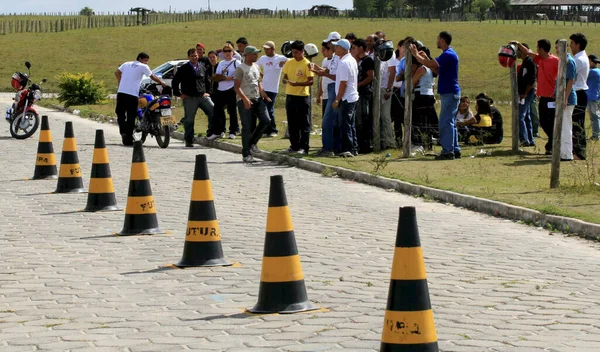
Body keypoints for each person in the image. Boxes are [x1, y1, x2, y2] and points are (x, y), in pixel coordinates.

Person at [411, 31, 461, 160]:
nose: (437, 41)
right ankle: (454, 149)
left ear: (443, 40)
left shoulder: (448, 55)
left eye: (438, 39)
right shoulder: (447, 55)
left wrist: (416, 55)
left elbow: (432, 65)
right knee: (450, 122)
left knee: (445, 122)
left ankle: (448, 151)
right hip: (450, 93)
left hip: (449, 93)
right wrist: (426, 59)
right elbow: (436, 70)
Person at [514, 39, 558, 155]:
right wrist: (518, 44)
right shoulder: (539, 59)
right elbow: (528, 53)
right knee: (542, 122)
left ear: (542, 49)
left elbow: (560, 77)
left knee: (550, 122)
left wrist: (556, 91)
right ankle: (552, 142)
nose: (536, 49)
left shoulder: (555, 61)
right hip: (542, 96)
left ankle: (552, 144)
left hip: (552, 97)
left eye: (538, 47)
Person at [114, 52, 166, 146]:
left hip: (121, 93)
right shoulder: (143, 66)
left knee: (120, 114)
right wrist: (162, 82)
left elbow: (117, 72)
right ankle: (128, 138)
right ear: (141, 59)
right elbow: (152, 76)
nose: (147, 63)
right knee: (131, 116)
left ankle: (123, 133)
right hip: (132, 94)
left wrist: (120, 81)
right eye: (146, 61)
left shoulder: (126, 64)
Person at [234, 46, 272, 163]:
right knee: (247, 127)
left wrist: (264, 95)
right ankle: (246, 154)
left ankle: (252, 143)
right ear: (248, 55)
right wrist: (245, 99)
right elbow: (236, 87)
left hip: (257, 98)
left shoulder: (256, 67)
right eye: (255, 54)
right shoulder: (240, 68)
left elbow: (258, 83)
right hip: (244, 99)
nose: (257, 56)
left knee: (266, 120)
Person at [172, 48, 214, 147]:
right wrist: (179, 94)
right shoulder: (184, 68)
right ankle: (189, 139)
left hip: (202, 96)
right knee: (189, 119)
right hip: (190, 98)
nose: (194, 57)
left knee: (213, 111)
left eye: (196, 56)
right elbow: (175, 81)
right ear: (188, 57)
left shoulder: (202, 67)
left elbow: (208, 81)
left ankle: (211, 133)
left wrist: (208, 92)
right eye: (192, 56)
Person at [281, 40, 314, 154]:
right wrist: (285, 80)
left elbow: (311, 81)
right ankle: (294, 145)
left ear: (302, 52)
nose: (294, 55)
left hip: (302, 96)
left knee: (303, 123)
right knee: (292, 123)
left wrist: (298, 84)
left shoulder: (307, 64)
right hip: (290, 95)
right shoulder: (289, 62)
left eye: (296, 52)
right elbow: (284, 77)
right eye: (293, 52)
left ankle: (304, 147)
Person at [312, 32, 342, 155]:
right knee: (329, 120)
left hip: (335, 88)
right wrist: (319, 70)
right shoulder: (335, 57)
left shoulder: (340, 57)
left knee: (329, 120)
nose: (329, 44)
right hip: (330, 88)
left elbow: (337, 76)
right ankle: (330, 147)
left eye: (330, 42)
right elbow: (329, 71)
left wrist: (323, 73)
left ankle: (329, 148)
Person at [332, 39, 359, 157]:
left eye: (337, 47)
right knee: (350, 123)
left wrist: (337, 99)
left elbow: (343, 83)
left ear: (343, 49)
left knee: (345, 124)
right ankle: (354, 147)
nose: (335, 48)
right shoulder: (351, 59)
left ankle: (347, 148)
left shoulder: (343, 63)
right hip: (352, 96)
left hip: (346, 97)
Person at [209, 43, 241, 140]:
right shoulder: (221, 63)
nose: (227, 53)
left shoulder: (237, 62)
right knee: (218, 110)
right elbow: (217, 76)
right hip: (221, 89)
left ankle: (233, 131)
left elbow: (239, 76)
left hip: (231, 89)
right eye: (225, 51)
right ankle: (219, 131)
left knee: (232, 110)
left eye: (229, 51)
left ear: (233, 52)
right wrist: (225, 78)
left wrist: (229, 79)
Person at [257, 41, 288, 137]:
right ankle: (267, 130)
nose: (266, 51)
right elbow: (255, 66)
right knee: (264, 110)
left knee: (269, 109)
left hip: (273, 88)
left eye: (268, 49)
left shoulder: (279, 58)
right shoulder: (263, 58)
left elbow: (290, 60)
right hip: (263, 88)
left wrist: (285, 66)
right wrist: (261, 75)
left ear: (273, 49)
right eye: (265, 49)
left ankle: (273, 130)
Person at [411, 47, 439, 150]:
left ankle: (419, 143)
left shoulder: (421, 69)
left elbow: (412, 82)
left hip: (421, 94)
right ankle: (428, 144)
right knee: (428, 121)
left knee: (419, 120)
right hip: (430, 95)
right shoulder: (432, 70)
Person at [375, 32, 398, 150]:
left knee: (385, 116)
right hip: (375, 88)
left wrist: (389, 88)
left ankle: (390, 142)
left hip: (384, 88)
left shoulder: (389, 52)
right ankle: (378, 141)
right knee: (376, 116)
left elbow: (392, 70)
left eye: (381, 39)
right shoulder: (376, 52)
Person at [352, 38, 374, 154]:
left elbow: (370, 77)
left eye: (354, 48)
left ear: (361, 48)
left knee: (362, 119)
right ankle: (358, 144)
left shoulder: (368, 60)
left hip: (364, 93)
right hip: (356, 93)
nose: (352, 50)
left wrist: (357, 85)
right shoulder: (356, 60)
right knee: (357, 120)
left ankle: (365, 145)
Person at [556, 39, 578, 161]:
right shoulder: (562, 61)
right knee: (561, 125)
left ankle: (567, 154)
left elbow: (570, 80)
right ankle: (561, 152)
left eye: (558, 47)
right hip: (562, 97)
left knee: (566, 126)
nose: (556, 50)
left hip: (568, 98)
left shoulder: (569, 61)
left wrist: (565, 98)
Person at [569, 33, 589, 160]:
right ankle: (577, 150)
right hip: (580, 92)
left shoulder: (578, 59)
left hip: (579, 92)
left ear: (578, 44)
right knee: (576, 123)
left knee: (577, 124)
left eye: (572, 43)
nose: (570, 46)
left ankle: (579, 152)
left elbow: (569, 75)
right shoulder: (579, 57)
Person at [516, 43, 537, 147]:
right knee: (527, 116)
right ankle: (530, 139)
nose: (517, 53)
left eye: (518, 50)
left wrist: (525, 93)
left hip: (527, 93)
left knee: (520, 116)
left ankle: (524, 139)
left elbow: (532, 79)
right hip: (525, 93)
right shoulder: (525, 62)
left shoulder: (530, 62)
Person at [316, 41, 334, 156]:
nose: (322, 52)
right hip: (326, 94)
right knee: (325, 121)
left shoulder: (336, 60)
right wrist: (319, 94)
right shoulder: (325, 60)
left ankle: (329, 148)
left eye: (324, 49)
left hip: (333, 93)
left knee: (328, 122)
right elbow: (322, 77)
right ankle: (326, 146)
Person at [587, 54, 600, 140]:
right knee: (595, 116)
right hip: (595, 96)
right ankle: (596, 134)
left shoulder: (592, 72)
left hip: (592, 97)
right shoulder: (597, 71)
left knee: (594, 117)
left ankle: (596, 135)